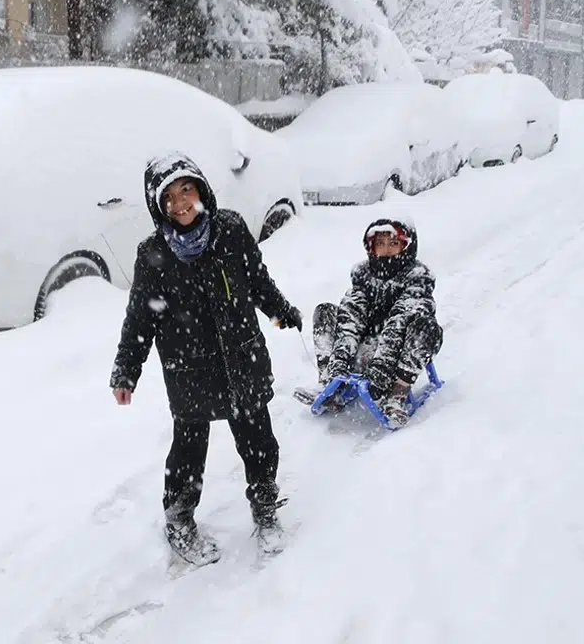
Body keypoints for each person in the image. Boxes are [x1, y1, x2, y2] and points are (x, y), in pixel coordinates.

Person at [110, 152, 303, 565]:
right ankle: (179, 519)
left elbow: (256, 280)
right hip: (189, 369)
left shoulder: (230, 230)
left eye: (187, 189)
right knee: (188, 451)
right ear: (157, 207)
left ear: (201, 190)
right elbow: (140, 318)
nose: (181, 203)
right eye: (169, 198)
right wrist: (127, 370)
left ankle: (265, 508)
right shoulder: (153, 255)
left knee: (259, 443)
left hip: (242, 359)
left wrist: (279, 309)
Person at [298, 217, 443, 429]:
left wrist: (383, 366)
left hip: (397, 353)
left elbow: (400, 321)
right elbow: (351, 317)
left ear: (406, 246)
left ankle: (397, 393)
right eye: (380, 243)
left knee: (427, 328)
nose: (386, 250)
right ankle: (329, 383)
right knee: (325, 312)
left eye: (393, 243)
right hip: (364, 345)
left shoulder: (417, 279)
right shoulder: (364, 275)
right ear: (371, 246)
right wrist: (339, 360)